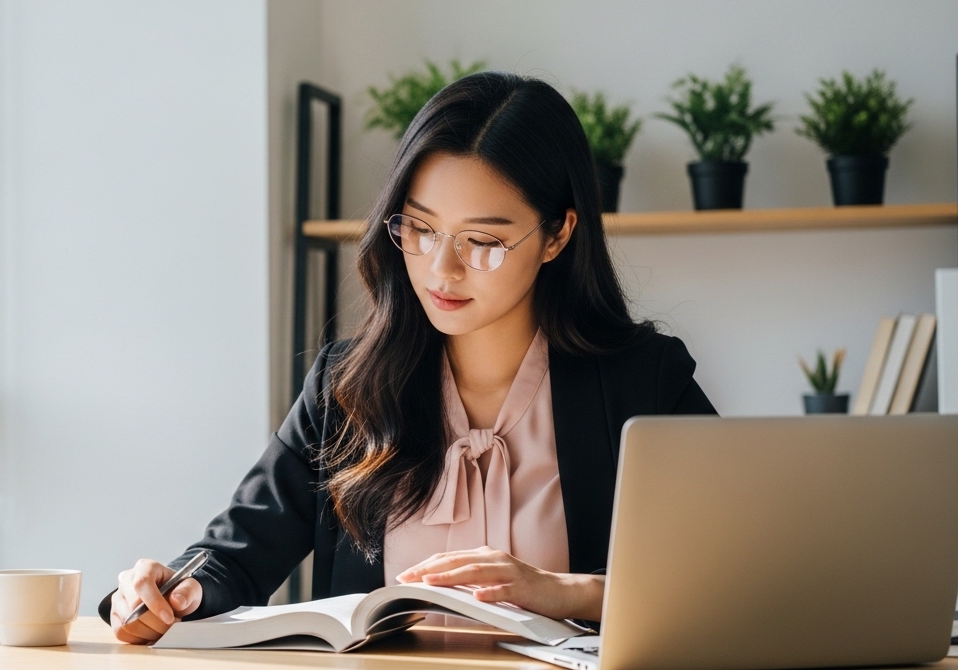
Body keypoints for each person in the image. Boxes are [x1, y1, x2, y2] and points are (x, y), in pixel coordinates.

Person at [100, 71, 716, 644]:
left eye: (483, 242)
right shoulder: (347, 387)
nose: (441, 269)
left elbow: (733, 578)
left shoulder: (643, 381)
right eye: (420, 229)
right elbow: (236, 554)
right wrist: (167, 590)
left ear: (557, 235)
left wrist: (567, 592)